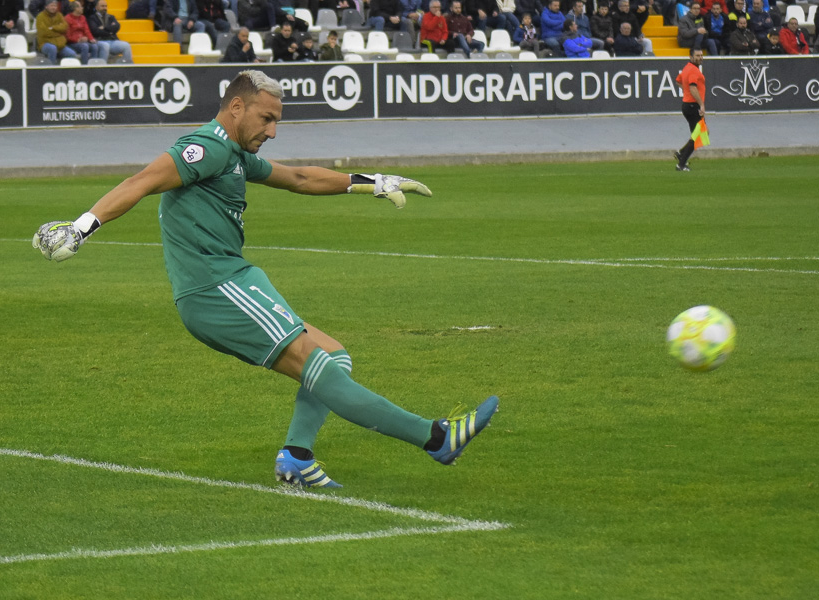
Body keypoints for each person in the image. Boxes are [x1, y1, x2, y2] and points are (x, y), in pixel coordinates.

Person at [31, 70, 499, 490]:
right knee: (313, 359)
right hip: (217, 286)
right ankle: (435, 437)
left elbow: (297, 177)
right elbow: (143, 180)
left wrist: (372, 181)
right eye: (267, 118)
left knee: (334, 354)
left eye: (277, 121)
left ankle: (297, 457)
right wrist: (81, 227)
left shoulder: (231, 153)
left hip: (231, 281)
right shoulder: (208, 147)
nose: (272, 131)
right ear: (237, 106)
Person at [673, 47, 705, 172]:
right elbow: (692, 87)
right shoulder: (693, 71)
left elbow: (678, 81)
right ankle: (681, 163)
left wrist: (685, 90)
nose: (700, 58)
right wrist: (701, 104)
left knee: (700, 133)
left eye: (701, 55)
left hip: (687, 105)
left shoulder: (687, 68)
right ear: (691, 57)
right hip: (693, 106)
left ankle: (681, 153)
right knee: (697, 135)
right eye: (697, 55)